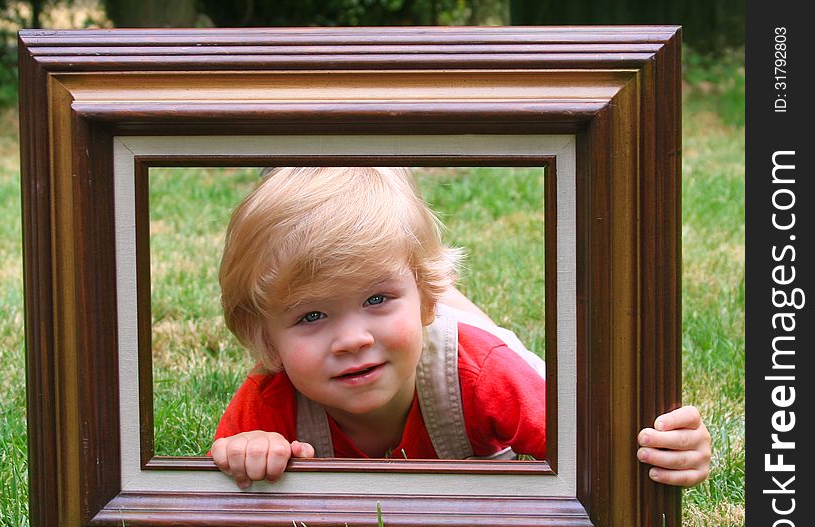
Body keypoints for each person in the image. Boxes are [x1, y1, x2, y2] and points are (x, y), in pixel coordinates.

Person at [211, 167, 711, 489]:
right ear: (265, 341)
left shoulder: (482, 373)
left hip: (465, 354)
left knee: (494, 351)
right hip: (423, 328)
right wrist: (246, 453)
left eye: (376, 298)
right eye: (311, 315)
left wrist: (669, 452)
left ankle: (445, 299)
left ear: (425, 301)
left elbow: (598, 446)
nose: (353, 339)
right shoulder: (269, 396)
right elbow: (223, 473)